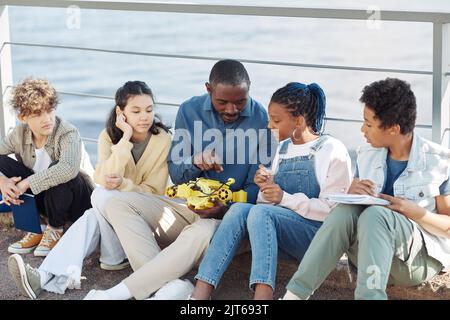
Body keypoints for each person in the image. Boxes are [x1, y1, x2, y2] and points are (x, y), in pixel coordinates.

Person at [84, 59, 275, 300]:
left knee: (201, 231)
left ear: (249, 90)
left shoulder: (263, 121)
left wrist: (223, 207)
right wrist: (196, 162)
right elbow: (176, 172)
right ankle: (169, 288)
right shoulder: (189, 110)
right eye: (222, 102)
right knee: (117, 204)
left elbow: (258, 190)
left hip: (230, 220)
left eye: (240, 101)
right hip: (187, 207)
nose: (231, 109)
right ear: (208, 89)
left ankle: (118, 293)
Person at [282, 78, 450, 300]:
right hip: (370, 258)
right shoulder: (367, 154)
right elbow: (353, 213)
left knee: (376, 215)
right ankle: (294, 296)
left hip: (414, 263)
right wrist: (351, 190)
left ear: (393, 129)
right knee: (344, 211)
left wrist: (415, 212)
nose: (363, 130)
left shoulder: (438, 162)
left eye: (369, 124)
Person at [7, 81, 172, 299]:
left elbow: (154, 192)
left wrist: (122, 184)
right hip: (113, 217)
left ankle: (99, 262)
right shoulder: (108, 136)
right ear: (120, 113)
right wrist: (124, 139)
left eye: (149, 110)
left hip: (146, 219)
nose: (145, 117)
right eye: (136, 111)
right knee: (99, 203)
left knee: (101, 197)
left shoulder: (162, 140)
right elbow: (103, 177)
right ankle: (43, 276)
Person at [190, 82, 352, 300]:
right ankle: (200, 293)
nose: (269, 126)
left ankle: (262, 298)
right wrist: (265, 188)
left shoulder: (331, 149)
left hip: (319, 239)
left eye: (276, 121)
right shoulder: (283, 149)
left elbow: (335, 214)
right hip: (284, 234)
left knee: (260, 213)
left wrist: (284, 197)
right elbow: (267, 208)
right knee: (239, 209)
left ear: (299, 121)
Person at [0, 78, 94, 257]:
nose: (47, 119)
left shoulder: (67, 132)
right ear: (23, 117)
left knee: (59, 168)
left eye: (49, 110)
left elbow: (68, 169)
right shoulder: (19, 133)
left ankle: (55, 229)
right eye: (37, 114)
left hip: (79, 201)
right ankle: (37, 229)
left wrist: (26, 183)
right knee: (3, 162)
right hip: (47, 201)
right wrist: (2, 182)